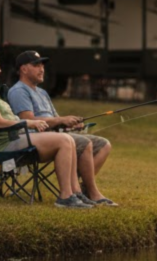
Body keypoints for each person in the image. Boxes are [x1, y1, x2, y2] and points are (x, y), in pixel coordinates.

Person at [0, 50, 95, 209]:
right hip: (3, 145)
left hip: (14, 139)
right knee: (64, 140)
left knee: (70, 140)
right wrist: (29, 123)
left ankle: (75, 193)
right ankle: (65, 197)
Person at [7, 50, 118, 207]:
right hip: (35, 141)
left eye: (42, 65)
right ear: (23, 69)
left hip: (56, 136)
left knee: (104, 145)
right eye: (36, 65)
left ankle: (83, 188)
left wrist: (69, 124)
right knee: (85, 143)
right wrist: (60, 120)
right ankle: (87, 193)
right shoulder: (19, 91)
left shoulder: (43, 92)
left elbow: (55, 119)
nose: (42, 69)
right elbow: (28, 120)